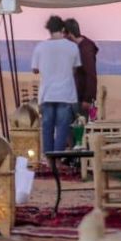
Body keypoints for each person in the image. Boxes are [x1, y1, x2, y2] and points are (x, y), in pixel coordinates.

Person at [31, 15, 80, 155]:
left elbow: (35, 69)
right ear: (63, 28)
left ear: (49, 30)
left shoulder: (40, 47)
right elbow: (75, 68)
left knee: (47, 128)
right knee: (62, 128)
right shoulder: (72, 47)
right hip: (65, 93)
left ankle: (48, 158)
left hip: (47, 93)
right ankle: (58, 159)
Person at [64, 18, 99, 119]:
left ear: (69, 34)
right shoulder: (76, 47)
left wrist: (88, 99)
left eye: (64, 35)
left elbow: (91, 75)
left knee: (82, 132)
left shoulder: (86, 49)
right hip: (73, 98)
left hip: (82, 99)